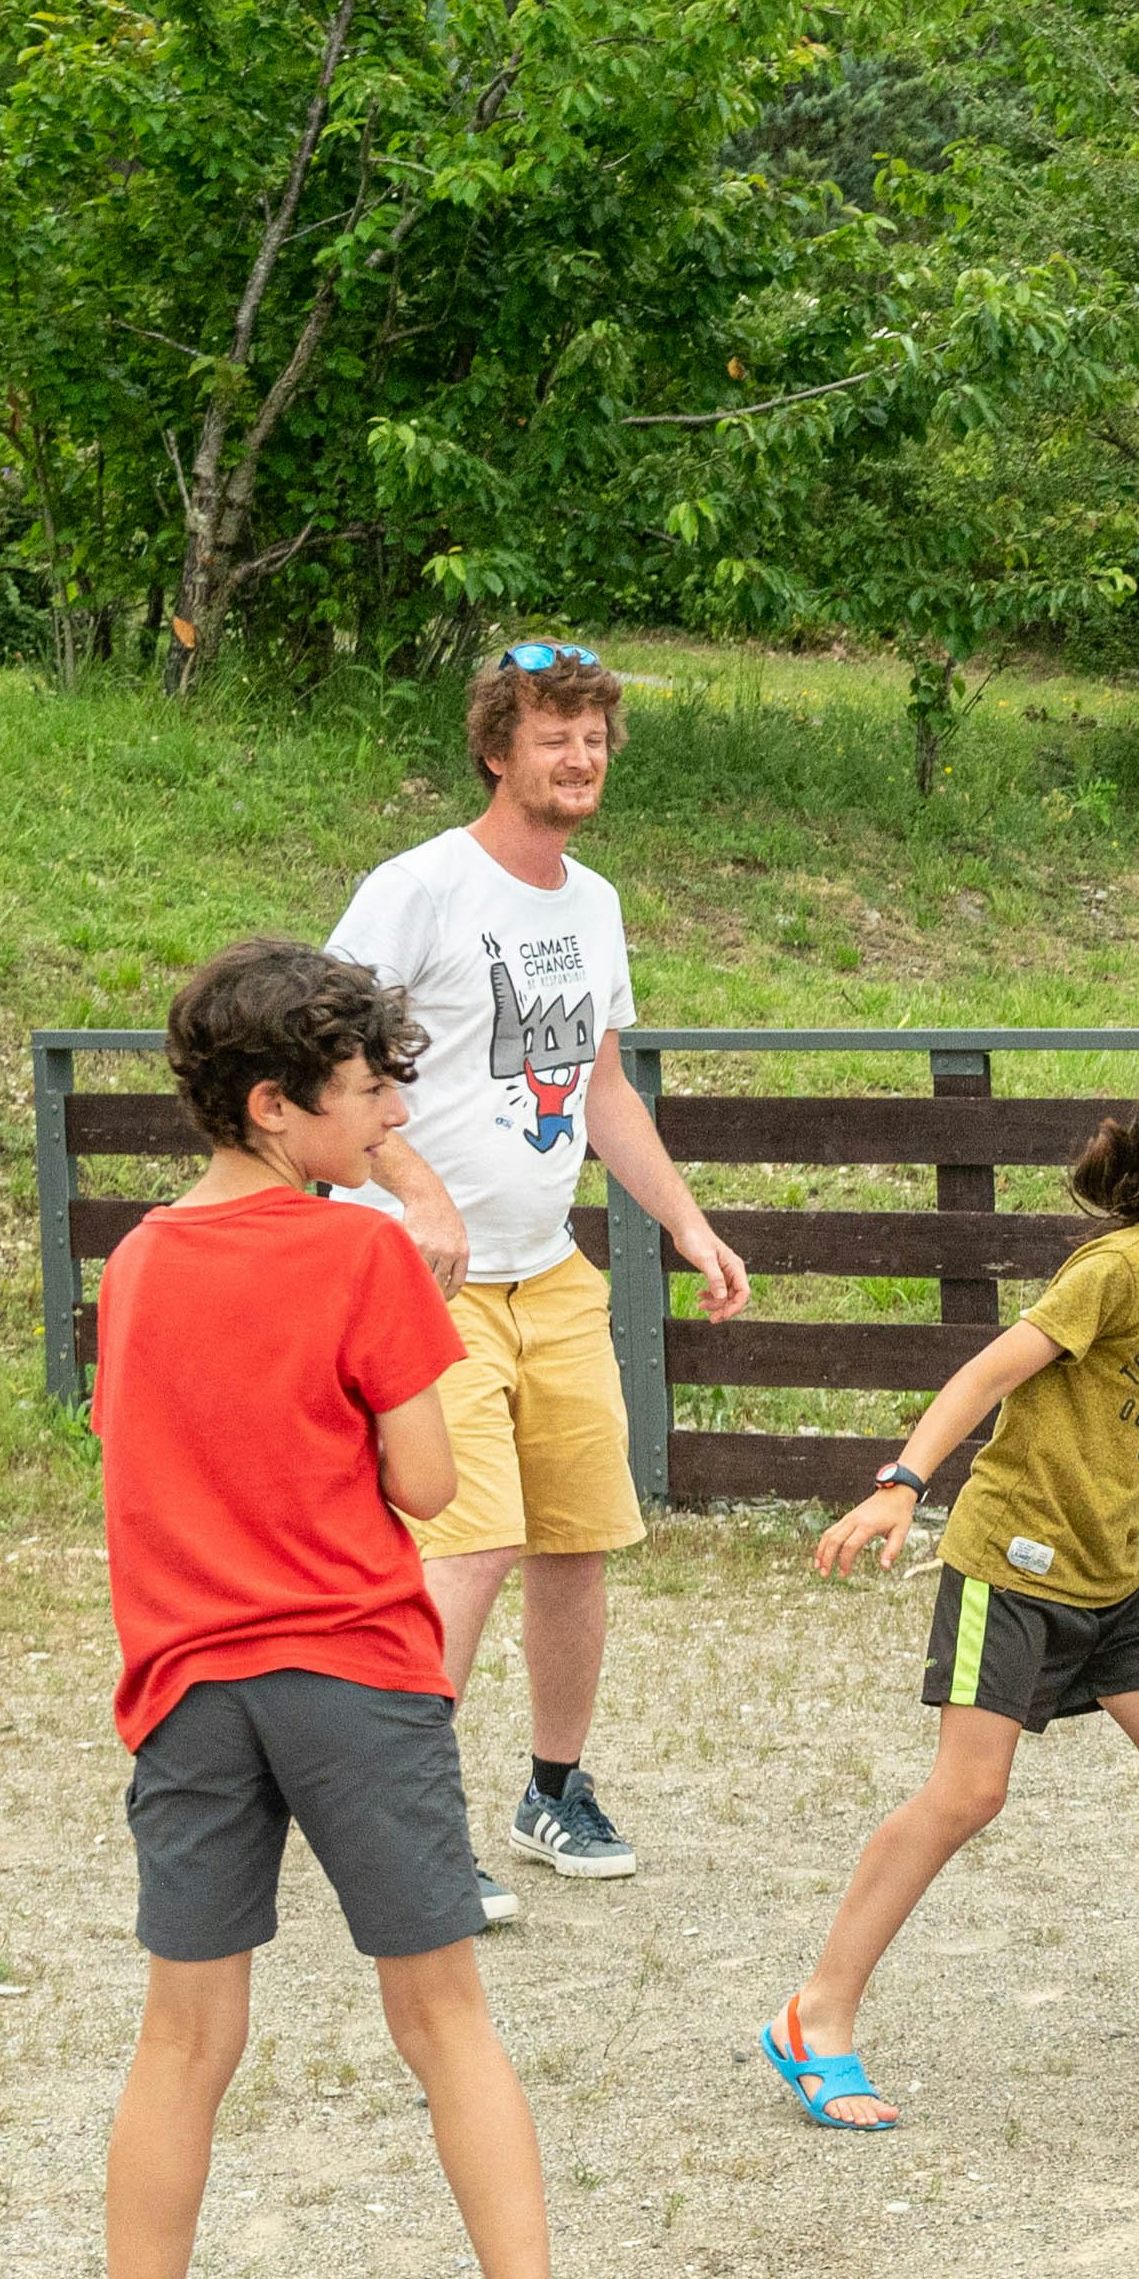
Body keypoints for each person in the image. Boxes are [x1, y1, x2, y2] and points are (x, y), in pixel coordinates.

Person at [75, 941, 604, 2279]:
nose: (385, 1120)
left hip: (188, 1684)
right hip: (356, 1675)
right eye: (364, 1093)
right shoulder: (360, 1253)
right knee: (445, 2016)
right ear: (270, 1102)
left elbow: (151, 1459)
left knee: (183, 2037)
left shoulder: (141, 1263)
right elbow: (430, 1483)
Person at [757, 1051, 1139, 2130]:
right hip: (1012, 1565)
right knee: (968, 1795)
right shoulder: (1116, 1268)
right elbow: (986, 1373)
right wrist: (900, 1486)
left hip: (1113, 1575)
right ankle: (814, 2019)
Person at [328, 639, 750, 1918]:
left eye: (596, 738)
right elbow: (317, 1052)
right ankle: (411, 1820)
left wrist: (684, 1220)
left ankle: (551, 1790)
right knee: (472, 1543)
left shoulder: (593, 904)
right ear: (497, 748)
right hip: (420, 1280)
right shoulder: (419, 889)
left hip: (550, 1272)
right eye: (555, 734)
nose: (580, 758)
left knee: (577, 1540)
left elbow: (603, 1086)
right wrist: (416, 1189)